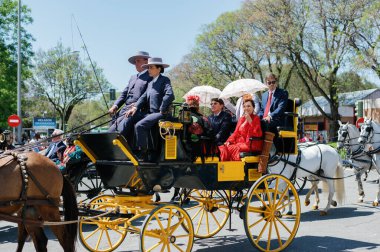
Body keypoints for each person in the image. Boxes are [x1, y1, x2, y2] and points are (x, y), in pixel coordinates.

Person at [126, 57, 175, 160]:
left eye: (151, 67)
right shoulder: (150, 83)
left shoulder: (164, 80)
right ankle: (130, 148)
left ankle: (144, 153)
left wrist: (162, 108)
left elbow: (170, 95)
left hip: (161, 113)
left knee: (139, 126)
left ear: (159, 69)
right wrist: (135, 107)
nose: (148, 69)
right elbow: (143, 97)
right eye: (148, 67)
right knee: (131, 117)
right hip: (150, 114)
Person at [108, 51, 153, 141]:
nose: (136, 64)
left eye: (138, 61)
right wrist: (115, 105)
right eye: (135, 62)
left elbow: (148, 95)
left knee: (122, 128)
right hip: (125, 109)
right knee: (111, 128)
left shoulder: (151, 76)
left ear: (146, 61)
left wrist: (136, 106)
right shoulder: (132, 77)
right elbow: (124, 93)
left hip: (138, 109)